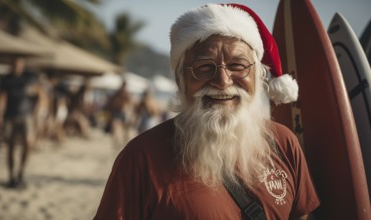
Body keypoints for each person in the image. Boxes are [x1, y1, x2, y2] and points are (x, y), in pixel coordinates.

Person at [94, 3, 320, 220]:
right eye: (204, 67)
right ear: (181, 80)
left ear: (258, 76)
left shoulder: (284, 143)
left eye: (237, 65)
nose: (222, 81)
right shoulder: (141, 158)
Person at [0, 57, 38, 188]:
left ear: (22, 66)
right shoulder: (6, 80)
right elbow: (2, 98)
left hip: (26, 115)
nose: (16, 67)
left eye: (19, 65)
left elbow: (40, 95)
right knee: (10, 145)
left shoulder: (29, 78)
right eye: (14, 65)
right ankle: (11, 176)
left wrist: (37, 113)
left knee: (28, 143)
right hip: (10, 115)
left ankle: (21, 172)